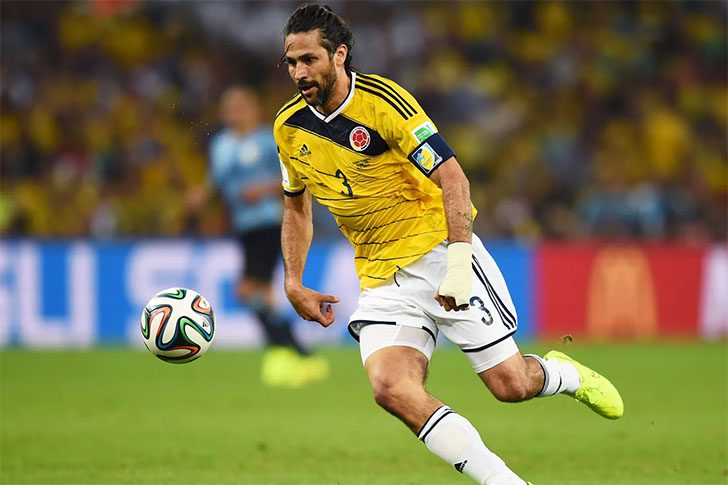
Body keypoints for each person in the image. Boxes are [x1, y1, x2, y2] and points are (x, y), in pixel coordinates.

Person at [274, 4, 623, 484]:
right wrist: (293, 280)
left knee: (510, 384)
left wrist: (459, 266)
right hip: (381, 277)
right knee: (391, 388)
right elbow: (296, 206)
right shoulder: (288, 127)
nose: (299, 73)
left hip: (439, 253)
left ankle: (566, 375)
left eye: (309, 59)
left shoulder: (384, 104)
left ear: (339, 55)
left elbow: (453, 178)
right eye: (291, 62)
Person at [209, 85, 329, 388]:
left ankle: (296, 352)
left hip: (267, 222)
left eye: (241, 107)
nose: (236, 113)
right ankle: (288, 354)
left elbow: (293, 177)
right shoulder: (221, 145)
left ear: (254, 110)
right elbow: (220, 184)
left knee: (248, 291)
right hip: (243, 227)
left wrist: (262, 190)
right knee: (262, 296)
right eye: (230, 109)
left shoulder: (268, 140)